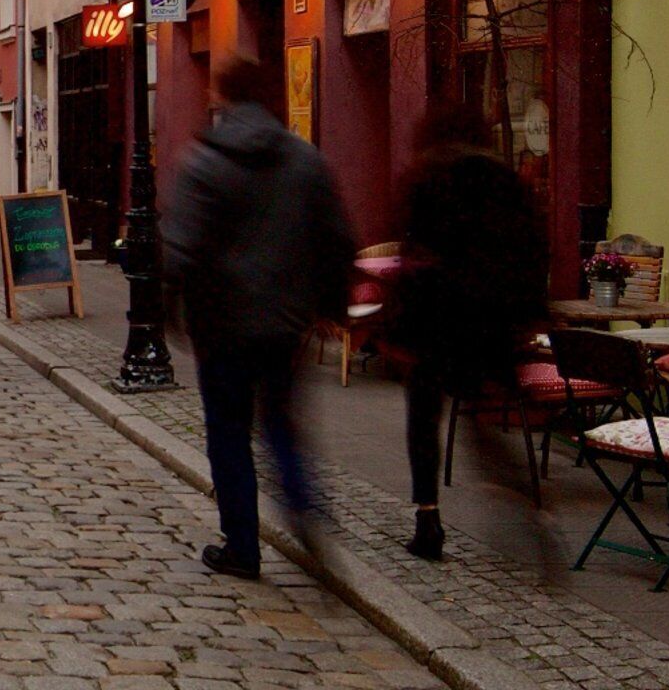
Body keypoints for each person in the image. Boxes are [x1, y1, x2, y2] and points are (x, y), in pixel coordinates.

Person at [163, 52, 354, 579]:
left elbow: (180, 245)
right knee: (283, 427)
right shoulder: (304, 159)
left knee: (228, 432)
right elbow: (339, 238)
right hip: (283, 324)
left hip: (221, 327)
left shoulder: (205, 160)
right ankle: (302, 510)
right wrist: (329, 307)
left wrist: (171, 309)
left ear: (220, 97)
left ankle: (242, 547)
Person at [385, 99, 554, 566]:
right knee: (486, 421)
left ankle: (428, 519)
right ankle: (526, 503)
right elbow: (533, 249)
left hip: (434, 322)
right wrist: (526, 316)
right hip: (490, 320)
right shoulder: (505, 181)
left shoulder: (425, 177)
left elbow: (409, 249)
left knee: (424, 421)